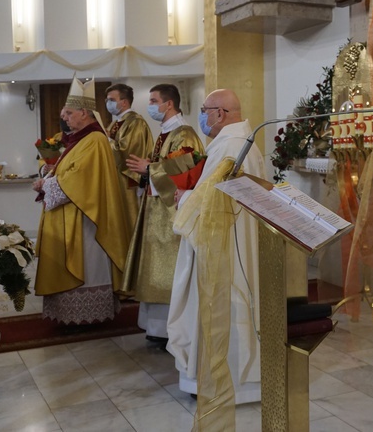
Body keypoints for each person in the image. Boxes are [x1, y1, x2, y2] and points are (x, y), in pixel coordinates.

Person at [167, 89, 265, 410]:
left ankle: (225, 381)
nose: (202, 117)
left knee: (224, 305)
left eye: (205, 110)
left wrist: (183, 198)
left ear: (220, 114)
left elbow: (205, 204)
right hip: (236, 237)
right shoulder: (243, 142)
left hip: (224, 243)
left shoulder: (230, 147)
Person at [33, 77, 131, 324]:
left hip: (85, 217)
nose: (64, 117)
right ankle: (68, 315)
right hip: (69, 214)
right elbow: (64, 170)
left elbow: (81, 179)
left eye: (69, 113)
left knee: (86, 265)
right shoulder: (75, 138)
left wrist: (47, 184)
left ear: (84, 113)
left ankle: (88, 317)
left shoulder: (95, 139)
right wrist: (47, 173)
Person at [123, 83, 204, 342]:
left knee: (167, 272)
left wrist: (151, 169)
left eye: (154, 101)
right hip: (156, 211)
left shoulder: (185, 133)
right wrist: (147, 172)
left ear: (169, 104)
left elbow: (189, 168)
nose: (151, 106)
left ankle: (170, 330)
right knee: (153, 271)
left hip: (171, 214)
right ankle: (155, 329)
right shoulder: (165, 133)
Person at [105, 83, 154, 227]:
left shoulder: (135, 122)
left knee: (128, 221)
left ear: (124, 102)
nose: (108, 103)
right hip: (115, 179)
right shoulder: (116, 123)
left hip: (127, 181)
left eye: (112, 100)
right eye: (107, 100)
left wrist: (105, 140)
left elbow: (127, 152)